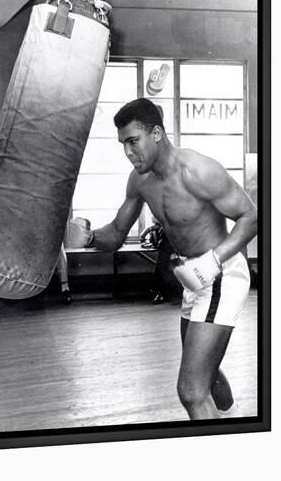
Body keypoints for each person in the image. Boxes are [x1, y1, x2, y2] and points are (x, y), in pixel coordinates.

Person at [68, 98, 257, 420]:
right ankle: (233, 422)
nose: (128, 152)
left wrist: (214, 260)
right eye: (123, 144)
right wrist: (87, 237)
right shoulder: (140, 180)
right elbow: (115, 233)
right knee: (206, 374)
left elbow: (251, 216)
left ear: (156, 133)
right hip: (192, 280)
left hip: (222, 274)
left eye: (133, 141)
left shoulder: (197, 170)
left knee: (191, 391)